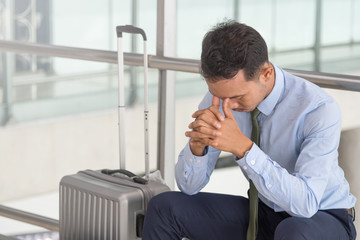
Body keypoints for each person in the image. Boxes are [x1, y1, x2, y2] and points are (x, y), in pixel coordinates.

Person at [142, 21, 357, 240]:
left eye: (237, 97)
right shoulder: (220, 97)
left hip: (323, 217)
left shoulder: (317, 108)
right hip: (262, 212)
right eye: (218, 94)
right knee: (164, 208)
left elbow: (306, 204)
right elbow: (188, 187)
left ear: (266, 73)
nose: (229, 106)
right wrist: (197, 149)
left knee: (293, 232)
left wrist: (243, 148)